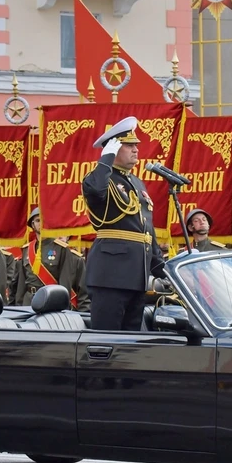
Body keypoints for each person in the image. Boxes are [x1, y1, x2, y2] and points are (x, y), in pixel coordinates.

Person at [81, 116, 166, 331]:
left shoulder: (136, 183)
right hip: (110, 276)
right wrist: (105, 159)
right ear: (114, 149)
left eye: (136, 146)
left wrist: (163, 271)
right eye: (129, 146)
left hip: (136, 276)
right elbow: (96, 191)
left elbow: (146, 231)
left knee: (130, 343)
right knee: (107, 341)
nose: (136, 150)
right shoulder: (99, 178)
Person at [16, 207, 90, 310]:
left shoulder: (61, 248)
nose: (40, 223)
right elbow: (21, 285)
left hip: (51, 300)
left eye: (43, 220)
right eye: (37, 220)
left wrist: (62, 306)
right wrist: (18, 307)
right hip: (29, 302)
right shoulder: (26, 250)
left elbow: (65, 283)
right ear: (32, 225)